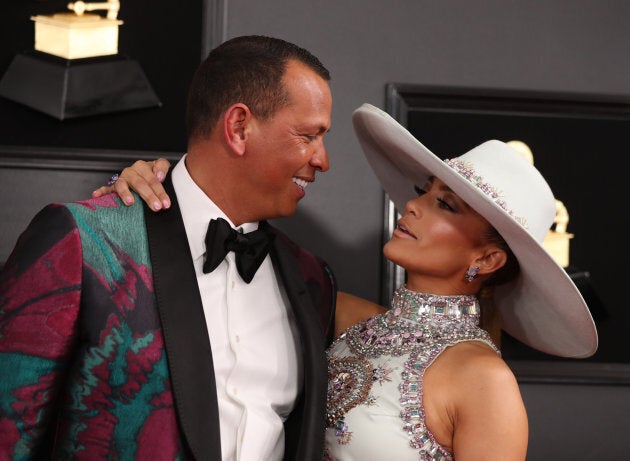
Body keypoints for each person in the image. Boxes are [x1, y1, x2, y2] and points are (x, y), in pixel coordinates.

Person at [105, 103, 598, 460]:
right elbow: (221, 244)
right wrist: (154, 182)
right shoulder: (336, 311)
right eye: (424, 192)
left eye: (445, 205)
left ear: (487, 258)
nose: (413, 205)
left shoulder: (484, 381)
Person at [0, 35, 337, 461]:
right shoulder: (83, 242)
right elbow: (9, 433)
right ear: (238, 127)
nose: (323, 160)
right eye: (309, 135)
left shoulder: (313, 280)